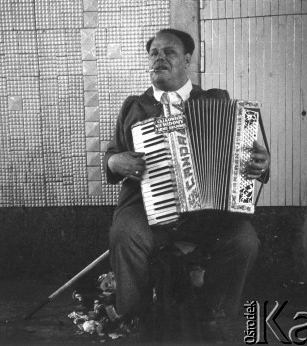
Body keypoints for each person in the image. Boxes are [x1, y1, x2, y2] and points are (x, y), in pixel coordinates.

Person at [103, 28, 270, 340]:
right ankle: (134, 318)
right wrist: (115, 162)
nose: (159, 58)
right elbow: (113, 153)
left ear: (188, 60)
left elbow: (249, 153)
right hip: (145, 206)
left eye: (170, 52)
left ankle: (214, 314)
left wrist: (262, 163)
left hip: (209, 212)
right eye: (154, 52)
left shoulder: (215, 101)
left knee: (244, 240)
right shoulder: (134, 107)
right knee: (126, 234)